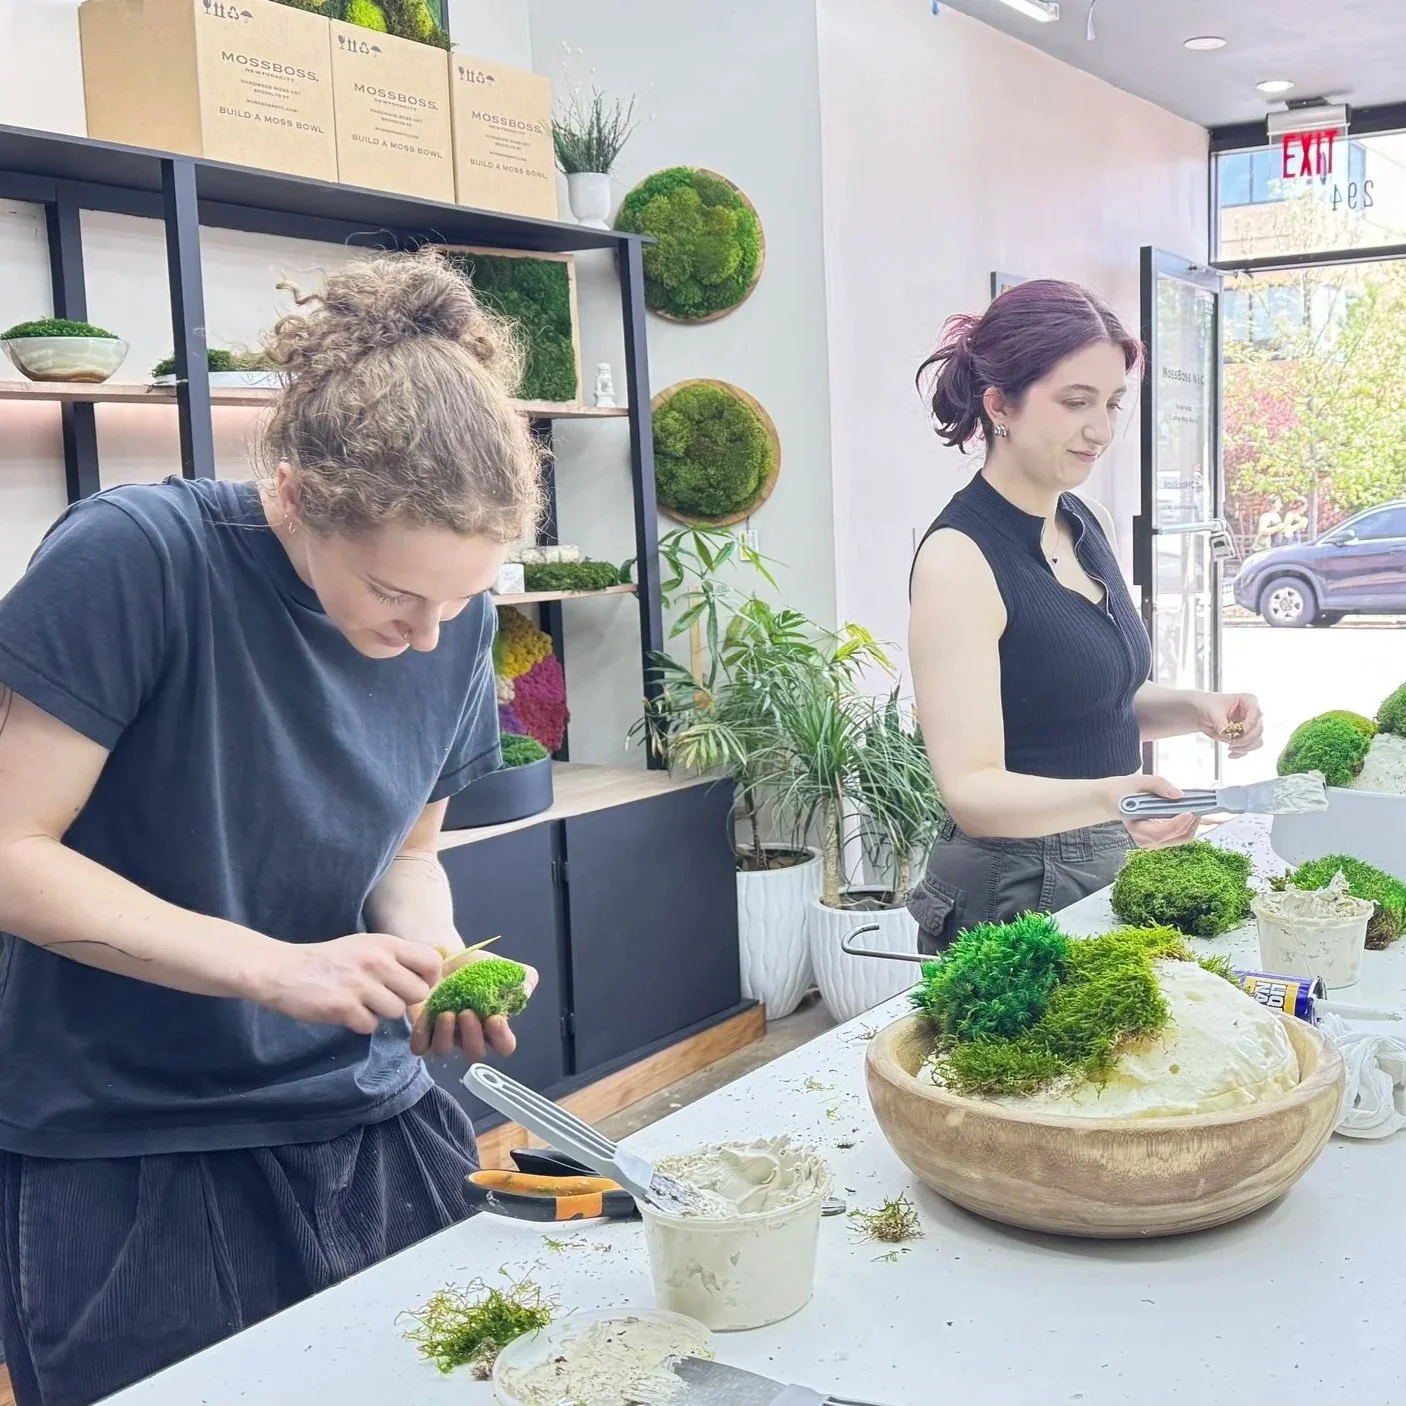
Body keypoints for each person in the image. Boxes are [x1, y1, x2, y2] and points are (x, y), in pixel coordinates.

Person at [0, 251, 544, 1406]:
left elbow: (406, 851)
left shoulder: (448, 622)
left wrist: (437, 962)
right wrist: (276, 969)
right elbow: (10, 852)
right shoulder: (137, 560)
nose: (427, 634)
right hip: (131, 1140)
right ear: (294, 496)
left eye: (459, 601)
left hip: (367, 1113)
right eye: (397, 596)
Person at [906, 280, 1264, 953]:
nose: (1100, 430)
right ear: (999, 404)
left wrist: (1197, 707)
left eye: (1111, 403)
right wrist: (1115, 797)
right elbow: (971, 791)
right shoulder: (958, 559)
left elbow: (1094, 699)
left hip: (1102, 858)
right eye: (1076, 403)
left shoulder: (1082, 519)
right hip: (1013, 891)